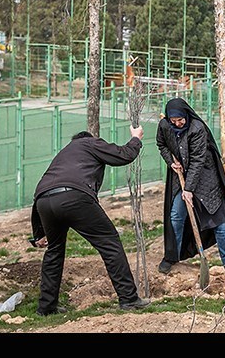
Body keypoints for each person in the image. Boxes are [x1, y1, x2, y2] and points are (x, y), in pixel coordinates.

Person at [30, 126, 150, 315]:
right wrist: (136, 138)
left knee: (54, 251)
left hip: (44, 201)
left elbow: (46, 190)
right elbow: (123, 155)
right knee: (110, 243)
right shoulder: (88, 143)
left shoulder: (63, 154)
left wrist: (39, 233)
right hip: (74, 197)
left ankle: (46, 307)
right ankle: (129, 299)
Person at [155, 97, 225, 275]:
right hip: (180, 177)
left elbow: (198, 161)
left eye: (180, 120)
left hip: (205, 178)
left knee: (217, 220)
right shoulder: (164, 125)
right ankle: (171, 257)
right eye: (173, 121)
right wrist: (171, 162)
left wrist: (189, 190)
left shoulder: (197, 128)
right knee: (176, 215)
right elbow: (161, 145)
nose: (178, 123)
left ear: (186, 115)